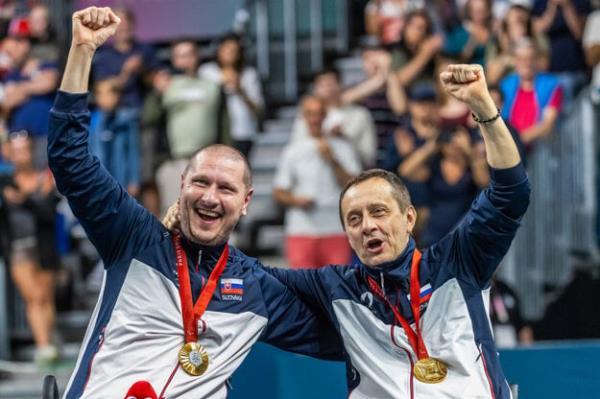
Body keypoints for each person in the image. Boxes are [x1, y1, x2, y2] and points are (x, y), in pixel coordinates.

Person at [165, 64, 530, 397]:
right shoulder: (337, 288)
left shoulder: (457, 262)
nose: (367, 224)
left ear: (408, 218)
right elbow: (250, 276)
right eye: (354, 219)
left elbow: (510, 192)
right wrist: (190, 234)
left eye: (379, 212)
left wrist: (484, 110)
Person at [49, 8, 341, 398]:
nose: (209, 197)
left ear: (246, 202)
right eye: (200, 182)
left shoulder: (255, 288)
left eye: (226, 188)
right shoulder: (135, 240)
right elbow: (69, 159)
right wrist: (82, 52)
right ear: (182, 184)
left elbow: (350, 335)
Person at [273, 95, 361, 268]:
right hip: (301, 229)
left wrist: (333, 160)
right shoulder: (293, 150)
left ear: (326, 115)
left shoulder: (343, 147)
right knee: (302, 289)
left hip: (336, 228)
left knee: (337, 288)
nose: (315, 119)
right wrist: (296, 200)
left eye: (319, 113)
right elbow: (279, 191)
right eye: (310, 113)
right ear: (303, 116)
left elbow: (355, 188)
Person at [2, 131, 60, 365]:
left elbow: (49, 212)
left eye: (24, 149)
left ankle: (49, 340)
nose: (20, 155)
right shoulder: (4, 182)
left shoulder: (45, 178)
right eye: (15, 150)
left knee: (46, 297)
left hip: (44, 245)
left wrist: (25, 199)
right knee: (33, 297)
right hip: (18, 247)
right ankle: (43, 346)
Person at [292, 67, 377, 168]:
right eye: (322, 85)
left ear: (341, 85)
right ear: (315, 89)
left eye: (331, 83)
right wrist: (323, 138)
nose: (328, 89)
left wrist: (342, 140)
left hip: (350, 177)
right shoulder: (306, 115)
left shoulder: (360, 115)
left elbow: (369, 157)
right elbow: (296, 151)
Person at [198, 33, 263, 158]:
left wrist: (240, 90)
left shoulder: (249, 74)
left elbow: (258, 108)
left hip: (242, 133)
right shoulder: (206, 72)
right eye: (226, 49)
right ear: (218, 51)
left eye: (234, 50)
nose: (230, 54)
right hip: (213, 133)